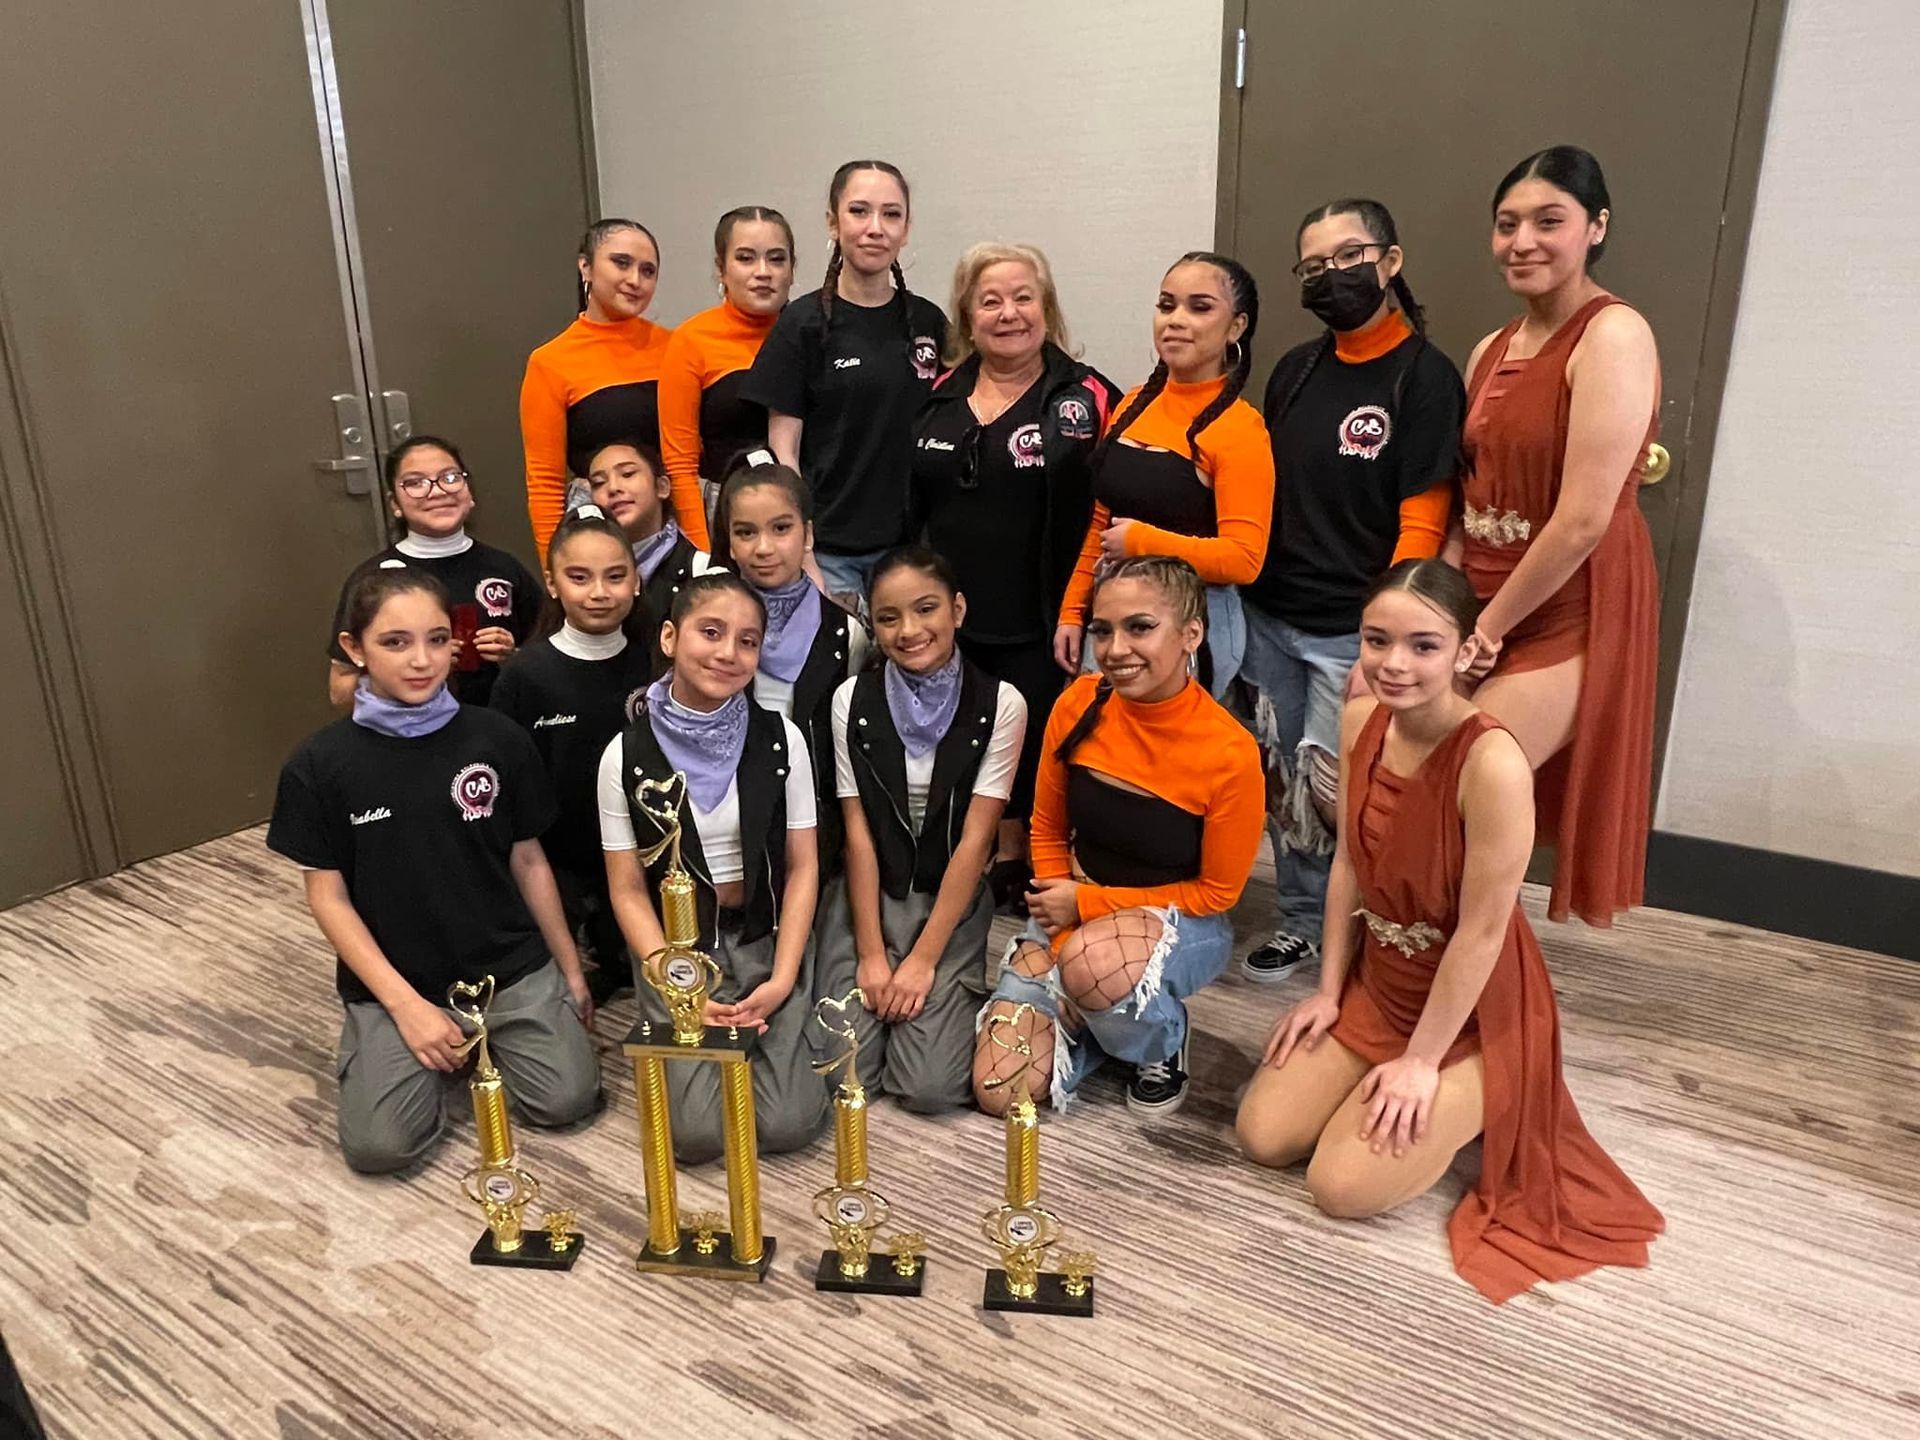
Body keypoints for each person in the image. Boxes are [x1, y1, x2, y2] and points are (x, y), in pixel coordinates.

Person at [1235, 559, 1663, 1303]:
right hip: (1382, 987)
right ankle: (1370, 1072)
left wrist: (1421, 1064)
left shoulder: (1493, 763)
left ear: (1467, 652)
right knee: (1263, 1137)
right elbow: (1348, 869)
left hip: (1473, 1013)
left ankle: (1480, 1092)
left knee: (1339, 1187)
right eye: (1376, 641)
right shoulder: (1362, 716)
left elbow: (1483, 933)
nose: (1394, 663)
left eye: (1424, 645)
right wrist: (1330, 991)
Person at [270, 568, 598, 1174]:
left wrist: (569, 971)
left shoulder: (498, 738)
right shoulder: (318, 766)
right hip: (401, 977)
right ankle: (400, 1041)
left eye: (438, 640)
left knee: (567, 1100)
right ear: (354, 649)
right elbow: (328, 899)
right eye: (395, 643)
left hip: (506, 963)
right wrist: (404, 1007)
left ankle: (490, 1032)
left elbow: (529, 861)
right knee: (379, 1149)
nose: (421, 661)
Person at [1239, 200, 1465, 984]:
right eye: (1313, 266)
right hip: (1272, 617)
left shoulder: (1425, 379)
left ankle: (1379, 932)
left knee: (1351, 793)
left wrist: (1388, 640)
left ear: (1390, 262)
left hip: (1350, 632)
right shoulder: (1296, 370)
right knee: (1290, 787)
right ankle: (1303, 921)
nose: (1331, 276)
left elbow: (1424, 517)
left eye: (1348, 256)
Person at [1453, 146, 1661, 926]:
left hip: (1567, 605)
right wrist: (1443, 617)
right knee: (1420, 786)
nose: (1523, 242)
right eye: (1507, 225)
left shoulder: (1614, 336)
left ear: (1596, 227)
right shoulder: (1489, 348)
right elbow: (1464, 494)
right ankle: (1424, 968)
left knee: (1469, 786)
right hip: (1476, 598)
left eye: (1549, 221)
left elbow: (1581, 520)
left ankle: (1478, 991)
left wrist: (1486, 630)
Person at [973, 557, 1263, 1116]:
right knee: (999, 1091)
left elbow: (1217, 894)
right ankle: (1107, 1020)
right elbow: (1048, 828)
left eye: (1140, 627)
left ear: (1191, 634)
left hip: (1179, 918)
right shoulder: (1078, 702)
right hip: (1071, 909)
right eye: (1102, 630)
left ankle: (1162, 1037)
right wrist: (1060, 935)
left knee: (1091, 965)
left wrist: (1084, 911)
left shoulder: (1231, 751)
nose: (1115, 648)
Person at [910, 241, 1115, 904]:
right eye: (989, 301)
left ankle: (1031, 846)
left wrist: (1084, 608)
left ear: (1046, 309)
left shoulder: (1085, 396)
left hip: (1048, 612)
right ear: (967, 319)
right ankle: (989, 841)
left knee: (1038, 737)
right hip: (954, 613)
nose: (1008, 313)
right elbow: (911, 509)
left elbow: (1112, 510)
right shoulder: (937, 400)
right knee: (967, 729)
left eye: (1023, 297)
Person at [598, 572, 828, 1161]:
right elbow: (627, 891)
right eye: (711, 632)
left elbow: (803, 868)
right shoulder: (625, 753)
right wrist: (676, 987)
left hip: (761, 937)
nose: (729, 653)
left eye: (748, 641)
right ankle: (717, 1046)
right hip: (679, 948)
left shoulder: (782, 739)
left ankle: (770, 1033)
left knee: (788, 1126)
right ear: (671, 638)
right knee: (694, 1139)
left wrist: (781, 976)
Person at [820, 547, 1027, 1111]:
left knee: (927, 1089)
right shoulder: (850, 700)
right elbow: (857, 833)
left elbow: (976, 840)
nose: (909, 630)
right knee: (843, 1074)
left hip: (949, 901)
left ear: (957, 610)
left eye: (926, 609)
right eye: (889, 617)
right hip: (870, 894)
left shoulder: (1001, 703)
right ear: (873, 623)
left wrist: (922, 960)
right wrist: (870, 953)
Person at [1056, 253, 1273, 695]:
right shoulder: (1136, 401)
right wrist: (1072, 610)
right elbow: (1103, 521)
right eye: (1166, 304)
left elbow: (1244, 560)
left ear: (1236, 326)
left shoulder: (1239, 428)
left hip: (1193, 625)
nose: (1175, 320)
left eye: (1200, 307)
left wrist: (1140, 542)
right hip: (1113, 613)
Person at [743, 160, 947, 599]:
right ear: (833, 222)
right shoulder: (802, 324)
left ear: (906, 229)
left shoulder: (929, 322)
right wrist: (805, 552)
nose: (875, 228)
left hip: (910, 551)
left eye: (891, 214)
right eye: (859, 211)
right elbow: (784, 450)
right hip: (829, 553)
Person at [491, 506, 655, 1004]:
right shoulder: (525, 675)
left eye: (615, 576)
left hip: (640, 850)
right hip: (557, 856)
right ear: (553, 583)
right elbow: (506, 783)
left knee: (646, 966)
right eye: (579, 578)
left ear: (637, 581)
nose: (599, 593)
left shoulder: (656, 658)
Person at [713, 455, 870, 875]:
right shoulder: (709, 629)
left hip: (814, 822)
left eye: (781, 528)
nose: (763, 548)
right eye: (745, 532)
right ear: (729, 542)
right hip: (726, 816)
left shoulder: (845, 635)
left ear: (808, 535)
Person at [326, 436, 538, 710]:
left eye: (450, 477)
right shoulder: (373, 579)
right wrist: (423, 665)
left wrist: (514, 657)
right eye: (415, 483)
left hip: (497, 729)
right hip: (407, 737)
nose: (437, 492)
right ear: (395, 504)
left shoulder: (504, 568)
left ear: (469, 491)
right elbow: (340, 691)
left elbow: (550, 662)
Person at [520, 218, 674, 556]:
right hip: (597, 536)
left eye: (648, 271)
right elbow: (545, 481)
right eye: (621, 263)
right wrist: (553, 566)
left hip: (675, 527)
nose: (635, 280)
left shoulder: (674, 348)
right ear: (585, 267)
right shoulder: (551, 361)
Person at [656, 206, 796, 550]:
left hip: (807, 515)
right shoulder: (692, 340)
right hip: (723, 518)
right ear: (721, 268)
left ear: (792, 269)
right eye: (746, 258)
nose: (763, 272)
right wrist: (703, 551)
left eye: (776, 259)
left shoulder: (811, 331)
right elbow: (680, 464)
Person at [582, 440, 718, 676]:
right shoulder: (581, 575)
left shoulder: (703, 572)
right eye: (598, 483)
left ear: (662, 487)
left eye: (627, 473)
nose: (613, 488)